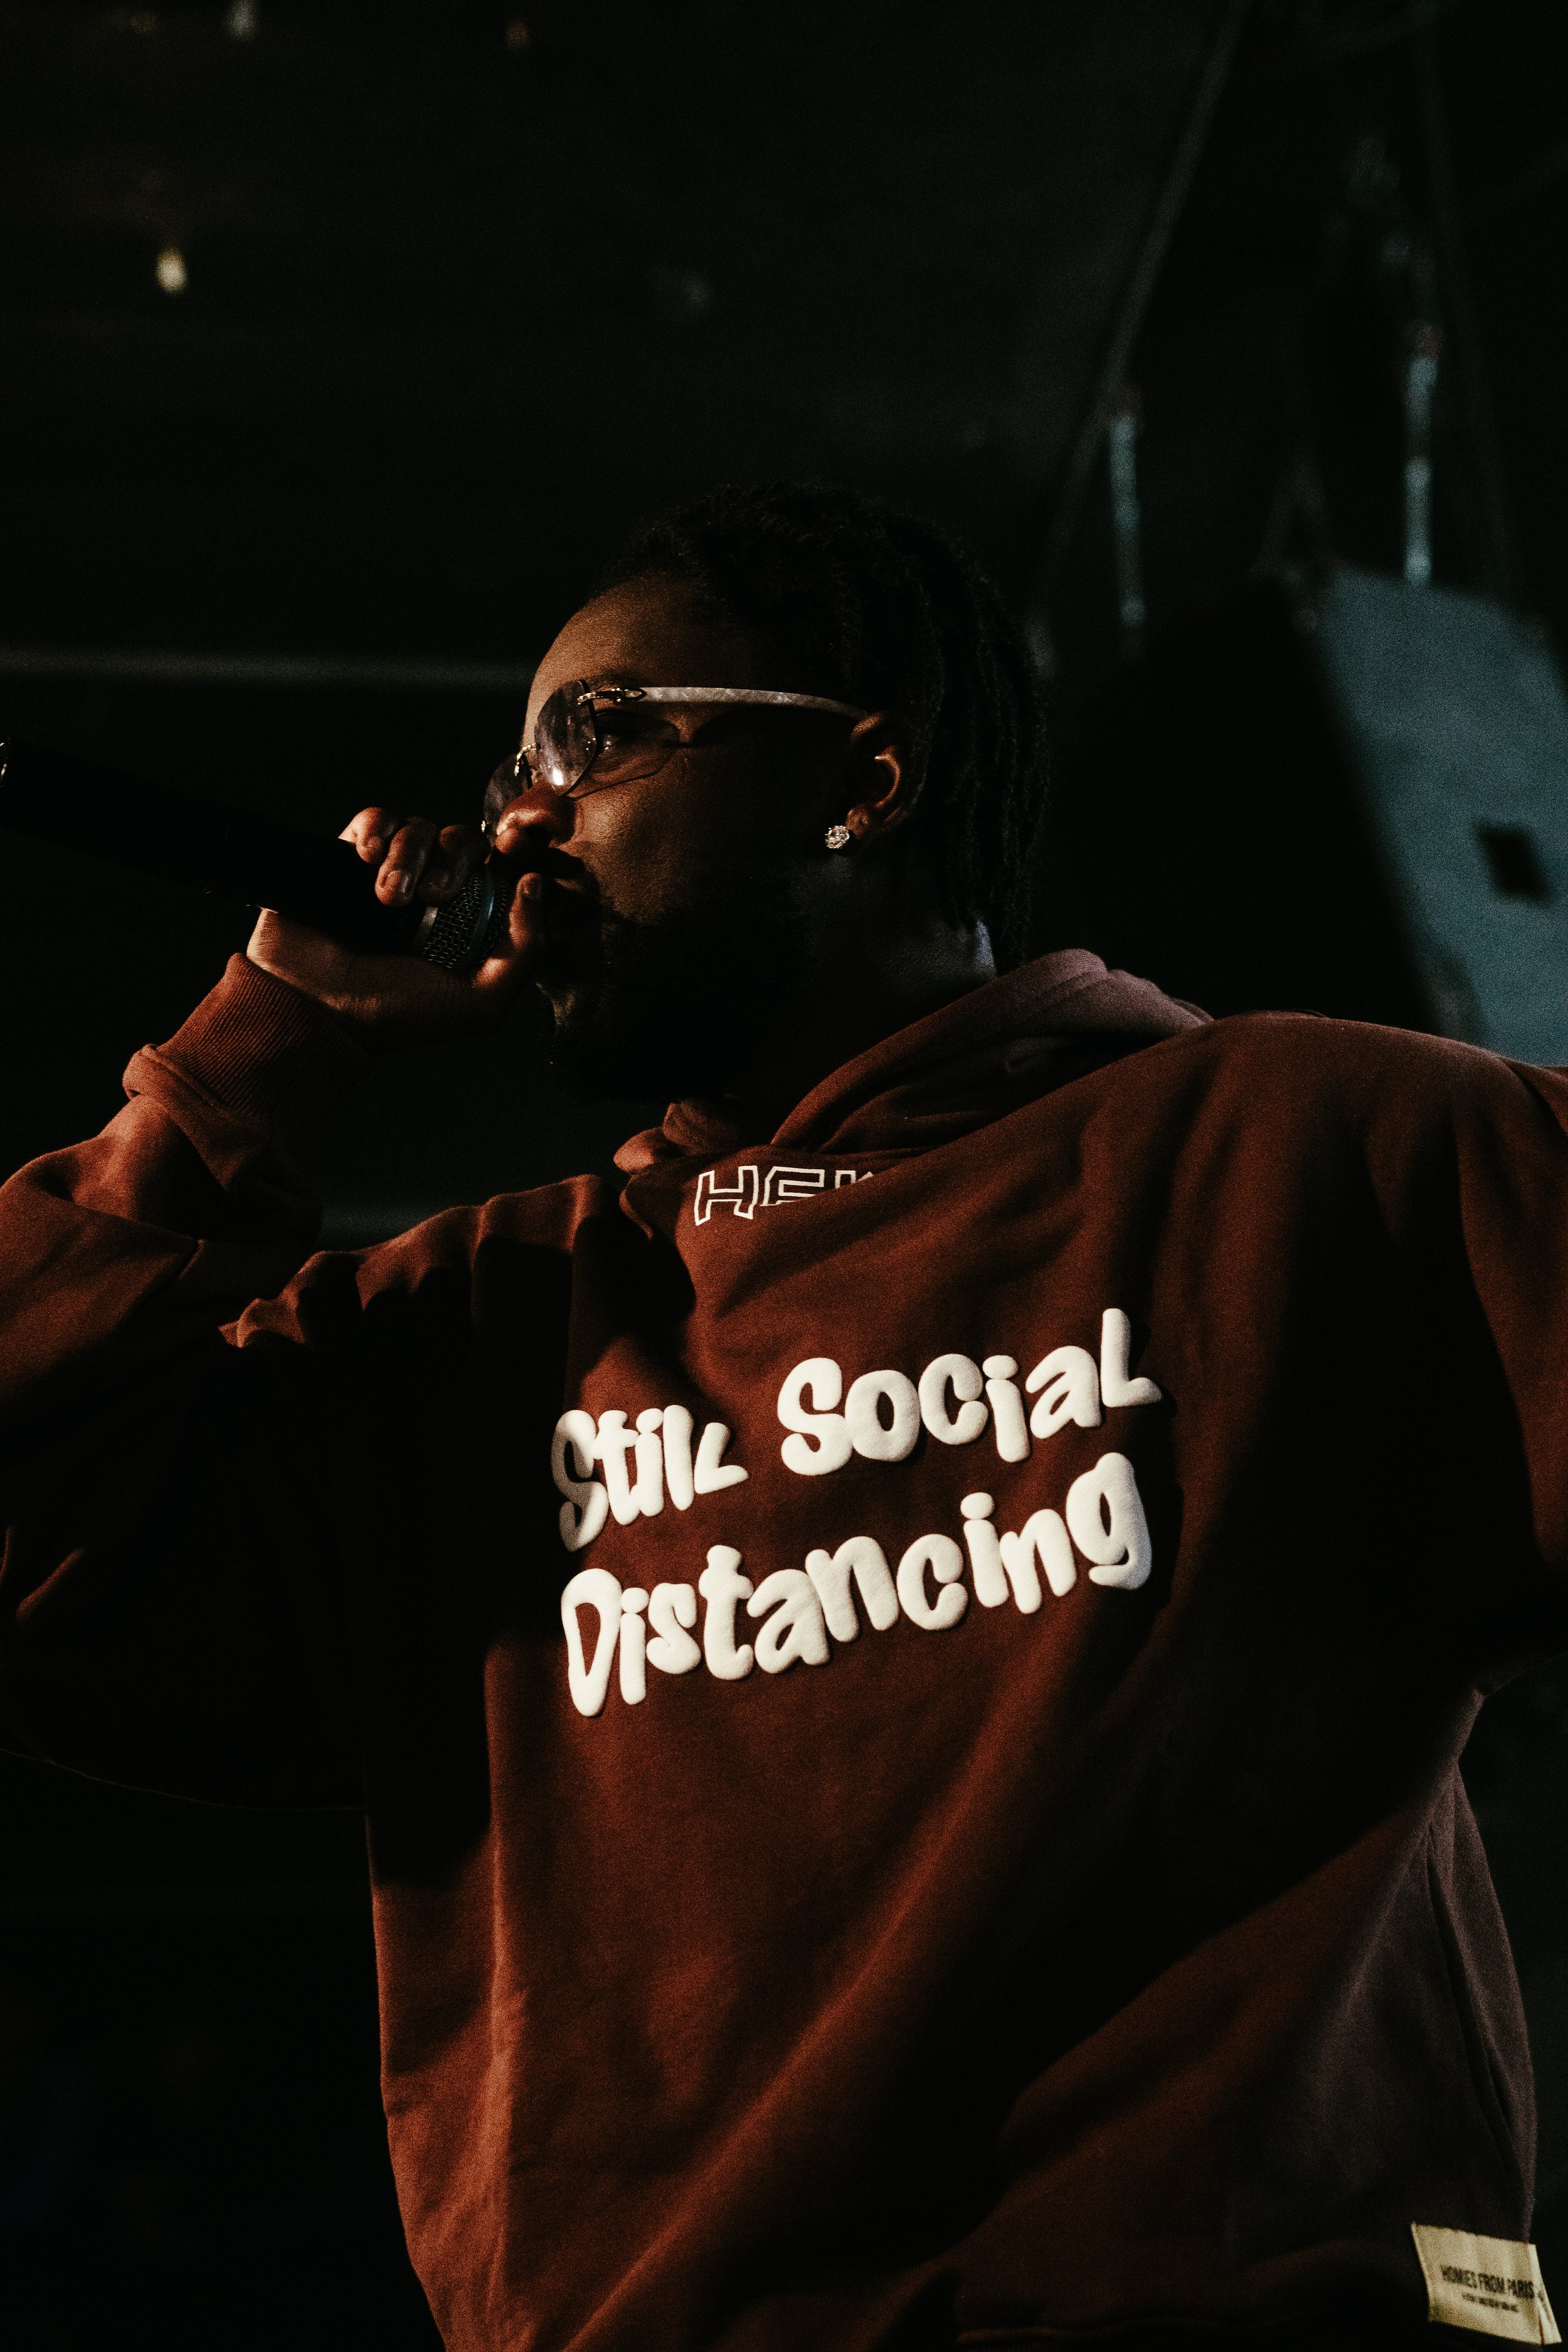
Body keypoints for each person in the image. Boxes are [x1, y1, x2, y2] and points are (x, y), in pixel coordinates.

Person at [1, 482, 1564, 2352]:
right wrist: (248, 1055)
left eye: (594, 734)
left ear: (860, 782)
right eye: (507, 761)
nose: (513, 813)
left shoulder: (1314, 1151)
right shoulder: (487, 1321)